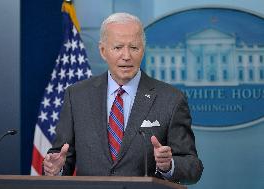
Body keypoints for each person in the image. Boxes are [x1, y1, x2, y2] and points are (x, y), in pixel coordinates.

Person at [43, 12, 203, 184]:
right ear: (103, 51)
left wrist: (168, 165)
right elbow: (62, 157)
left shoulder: (171, 99)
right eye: (118, 47)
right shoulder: (76, 96)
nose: (126, 56)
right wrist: (56, 168)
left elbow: (193, 167)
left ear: (143, 50)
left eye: (134, 48)